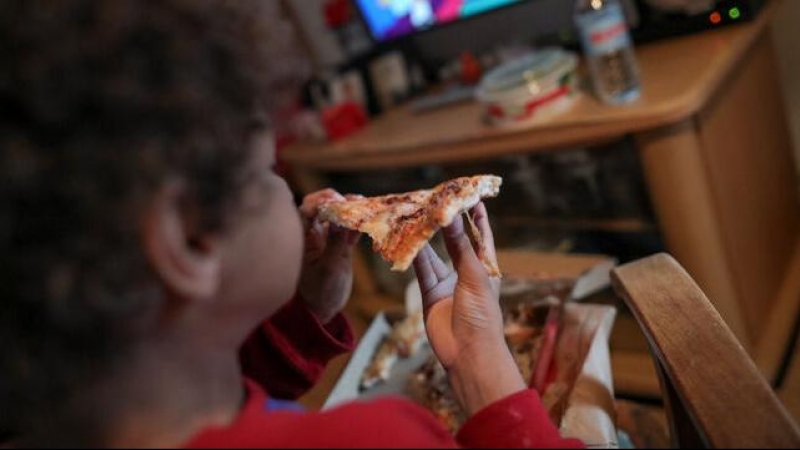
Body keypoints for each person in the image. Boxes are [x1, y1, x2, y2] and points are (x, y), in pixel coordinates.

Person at [0, 0, 584, 448]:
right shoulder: (381, 438)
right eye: (265, 171)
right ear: (189, 239)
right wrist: (486, 369)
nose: (295, 191)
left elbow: (225, 380)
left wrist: (305, 311)